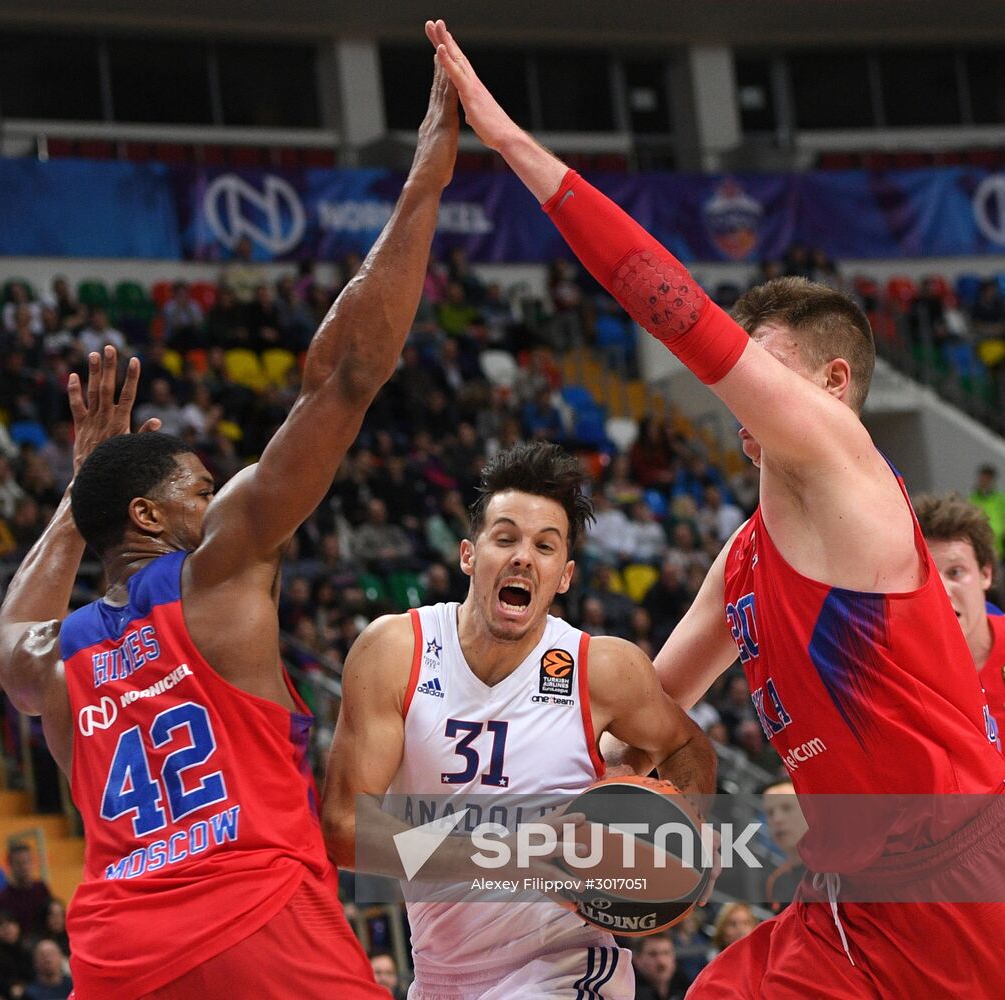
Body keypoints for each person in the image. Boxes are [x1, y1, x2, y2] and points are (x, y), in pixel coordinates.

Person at [424, 18, 1005, 998]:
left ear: (829, 383)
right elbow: (648, 705)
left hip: (952, 889)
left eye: (760, 367)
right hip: (849, 894)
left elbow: (669, 305)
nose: (737, 392)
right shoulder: (740, 556)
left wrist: (511, 145)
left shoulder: (844, 462)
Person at [0, 60, 460, 1000]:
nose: (216, 502)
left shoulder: (53, 661)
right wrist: (425, 180)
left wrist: (76, 493)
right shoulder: (215, 573)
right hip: (259, 926)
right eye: (199, 489)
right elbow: (347, 378)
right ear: (150, 515)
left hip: (118, 959)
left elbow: (8, 635)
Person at [322, 441, 716, 1000]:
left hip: (566, 966)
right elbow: (345, 829)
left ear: (565, 576)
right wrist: (514, 855)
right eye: (505, 538)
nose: (523, 557)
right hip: (439, 978)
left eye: (545, 546)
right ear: (468, 554)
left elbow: (687, 743)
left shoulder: (599, 668)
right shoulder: (396, 652)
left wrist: (693, 825)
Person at [913, 492, 1005, 738]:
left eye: (955, 572)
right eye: (926, 577)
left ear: (986, 574)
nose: (941, 592)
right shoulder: (904, 676)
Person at [762, 779, 808, 914]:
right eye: (770, 813)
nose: (777, 819)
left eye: (787, 808)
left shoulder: (840, 871)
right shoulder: (776, 882)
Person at [0, 846, 51, 943]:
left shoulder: (41, 889)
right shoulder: (2, 898)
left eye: (27, 862)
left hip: (46, 942)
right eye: (19, 863)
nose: (24, 867)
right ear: (10, 866)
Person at [632, 933, 689, 1000]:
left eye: (666, 953)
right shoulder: (629, 993)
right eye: (653, 954)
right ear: (637, 959)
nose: (661, 961)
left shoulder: (684, 986)